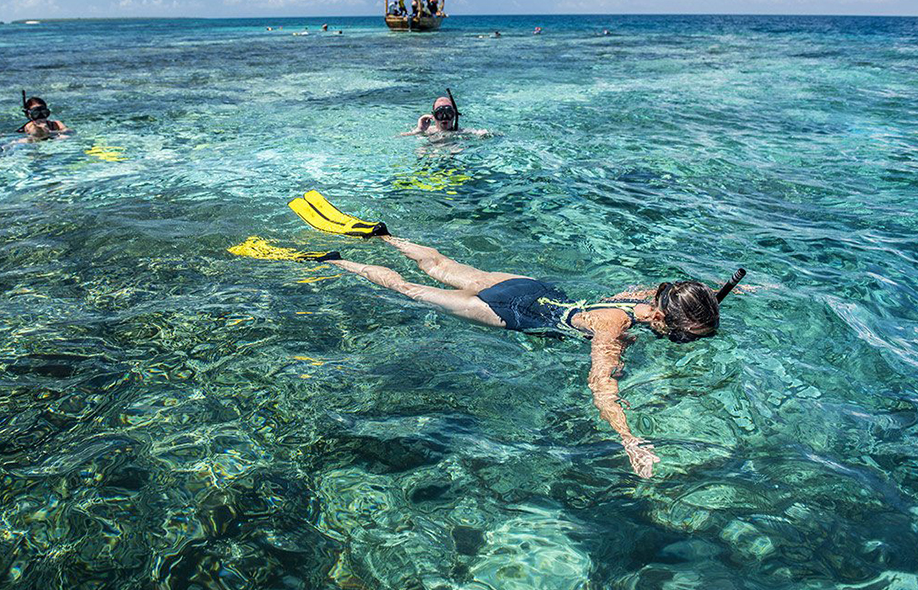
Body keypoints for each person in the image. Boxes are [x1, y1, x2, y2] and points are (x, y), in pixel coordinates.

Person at [276, 191, 746, 478]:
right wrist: (630, 442)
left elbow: (684, 305)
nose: (685, 343)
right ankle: (338, 261)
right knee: (411, 289)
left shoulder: (643, 298)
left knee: (437, 263)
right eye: (685, 337)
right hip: (513, 310)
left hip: (532, 287)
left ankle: (382, 236)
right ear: (666, 321)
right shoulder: (616, 326)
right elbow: (602, 388)